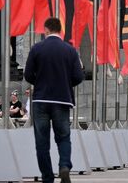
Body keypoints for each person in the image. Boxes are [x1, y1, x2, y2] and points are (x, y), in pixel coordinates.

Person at [23, 17, 85, 183]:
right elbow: (79, 76)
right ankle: (64, 165)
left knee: (42, 142)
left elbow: (28, 74)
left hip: (41, 100)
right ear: (60, 31)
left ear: (46, 30)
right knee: (63, 137)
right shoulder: (70, 51)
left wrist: (40, 81)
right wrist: (64, 83)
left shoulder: (37, 49)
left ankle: (47, 178)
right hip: (62, 100)